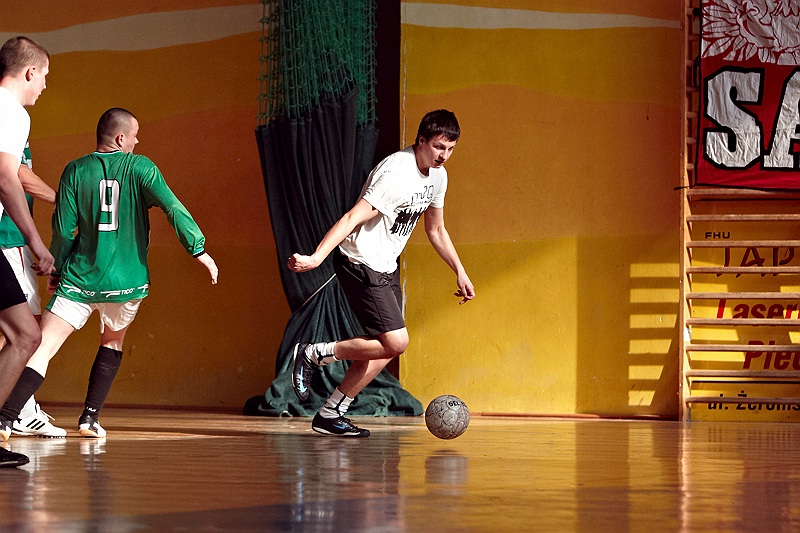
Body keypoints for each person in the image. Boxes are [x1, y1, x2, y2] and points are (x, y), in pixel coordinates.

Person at [0, 107, 218, 441]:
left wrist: (56, 267)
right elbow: (172, 206)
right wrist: (198, 249)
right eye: (135, 135)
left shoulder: (75, 170)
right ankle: (89, 419)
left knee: (42, 347)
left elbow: (63, 230)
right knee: (113, 342)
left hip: (80, 279)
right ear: (120, 138)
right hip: (127, 282)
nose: (137, 141)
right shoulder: (142, 167)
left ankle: (5, 419)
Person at [288, 109, 475, 437]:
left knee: (385, 346)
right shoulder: (395, 172)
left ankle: (331, 413)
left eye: (450, 149)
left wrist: (459, 270)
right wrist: (317, 257)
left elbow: (436, 229)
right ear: (421, 141)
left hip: (385, 265)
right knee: (396, 342)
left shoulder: (438, 176)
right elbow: (351, 217)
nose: (444, 155)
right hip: (359, 261)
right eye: (438, 147)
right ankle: (314, 353)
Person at [0, 36, 55, 468]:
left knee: (23, 334)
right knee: (26, 335)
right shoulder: (11, 111)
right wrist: (37, 241)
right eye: (45, 77)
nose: (44, 86)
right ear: (30, 71)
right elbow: (7, 177)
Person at [1, 142, 65, 438]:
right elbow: (15, 173)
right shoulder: (10, 120)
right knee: (22, 331)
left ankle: (18, 409)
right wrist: (62, 200)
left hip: (14, 239)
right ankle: (19, 411)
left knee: (18, 332)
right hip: (8, 239)